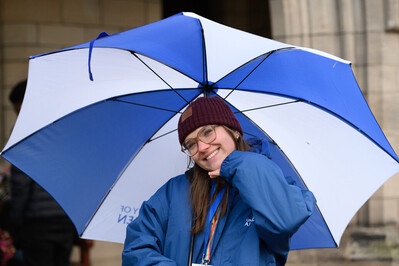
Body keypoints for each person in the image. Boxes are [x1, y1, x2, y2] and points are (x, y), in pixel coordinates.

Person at [122, 96, 316, 266]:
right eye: (191, 144)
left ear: (235, 131)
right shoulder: (173, 192)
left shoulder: (267, 181)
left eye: (207, 132)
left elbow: (286, 219)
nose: (203, 147)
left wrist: (234, 164)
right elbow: (136, 250)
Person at [6, 80, 77, 266]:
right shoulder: (65, 125)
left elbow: (21, 183)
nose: (17, 115)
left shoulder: (24, 130)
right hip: (66, 218)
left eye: (18, 109)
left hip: (37, 222)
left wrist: (15, 222)